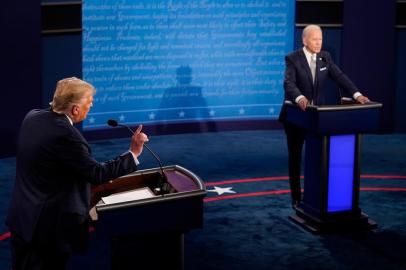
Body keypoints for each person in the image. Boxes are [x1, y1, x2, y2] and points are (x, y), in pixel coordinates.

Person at [6, 77, 148, 269]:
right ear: (75, 109)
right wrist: (134, 152)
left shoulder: (33, 117)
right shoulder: (67, 136)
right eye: (89, 105)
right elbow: (96, 173)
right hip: (48, 230)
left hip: (23, 218)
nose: (90, 108)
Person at [278, 25, 370, 209]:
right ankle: (296, 198)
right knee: (295, 158)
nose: (319, 42)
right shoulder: (293, 58)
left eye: (320, 39)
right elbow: (288, 83)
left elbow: (340, 77)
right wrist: (300, 97)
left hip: (318, 118)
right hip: (296, 117)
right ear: (305, 40)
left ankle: (315, 196)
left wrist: (357, 95)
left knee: (318, 156)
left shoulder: (325, 57)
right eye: (314, 39)